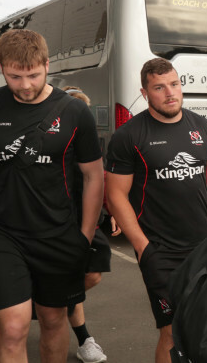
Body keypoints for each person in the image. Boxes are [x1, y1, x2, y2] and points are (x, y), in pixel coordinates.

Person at [105, 58, 207, 363]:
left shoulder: (201, 126)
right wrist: (142, 247)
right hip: (160, 251)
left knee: (206, 326)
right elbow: (116, 196)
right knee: (171, 331)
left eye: (174, 84)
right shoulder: (129, 136)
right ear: (145, 91)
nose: (170, 93)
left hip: (204, 246)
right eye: (159, 87)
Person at [0, 29, 104, 362]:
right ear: (1, 69)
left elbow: (93, 175)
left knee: (54, 321)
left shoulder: (74, 112)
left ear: (47, 65)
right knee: (12, 327)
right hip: (1, 232)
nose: (25, 85)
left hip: (58, 233)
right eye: (15, 76)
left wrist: (85, 238)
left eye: (33, 75)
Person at [62, 86, 121, 363]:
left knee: (92, 275)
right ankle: (85, 339)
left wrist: (112, 213)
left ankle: (52, 302)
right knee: (72, 280)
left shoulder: (89, 145)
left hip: (89, 224)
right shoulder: (54, 147)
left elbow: (102, 181)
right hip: (59, 225)